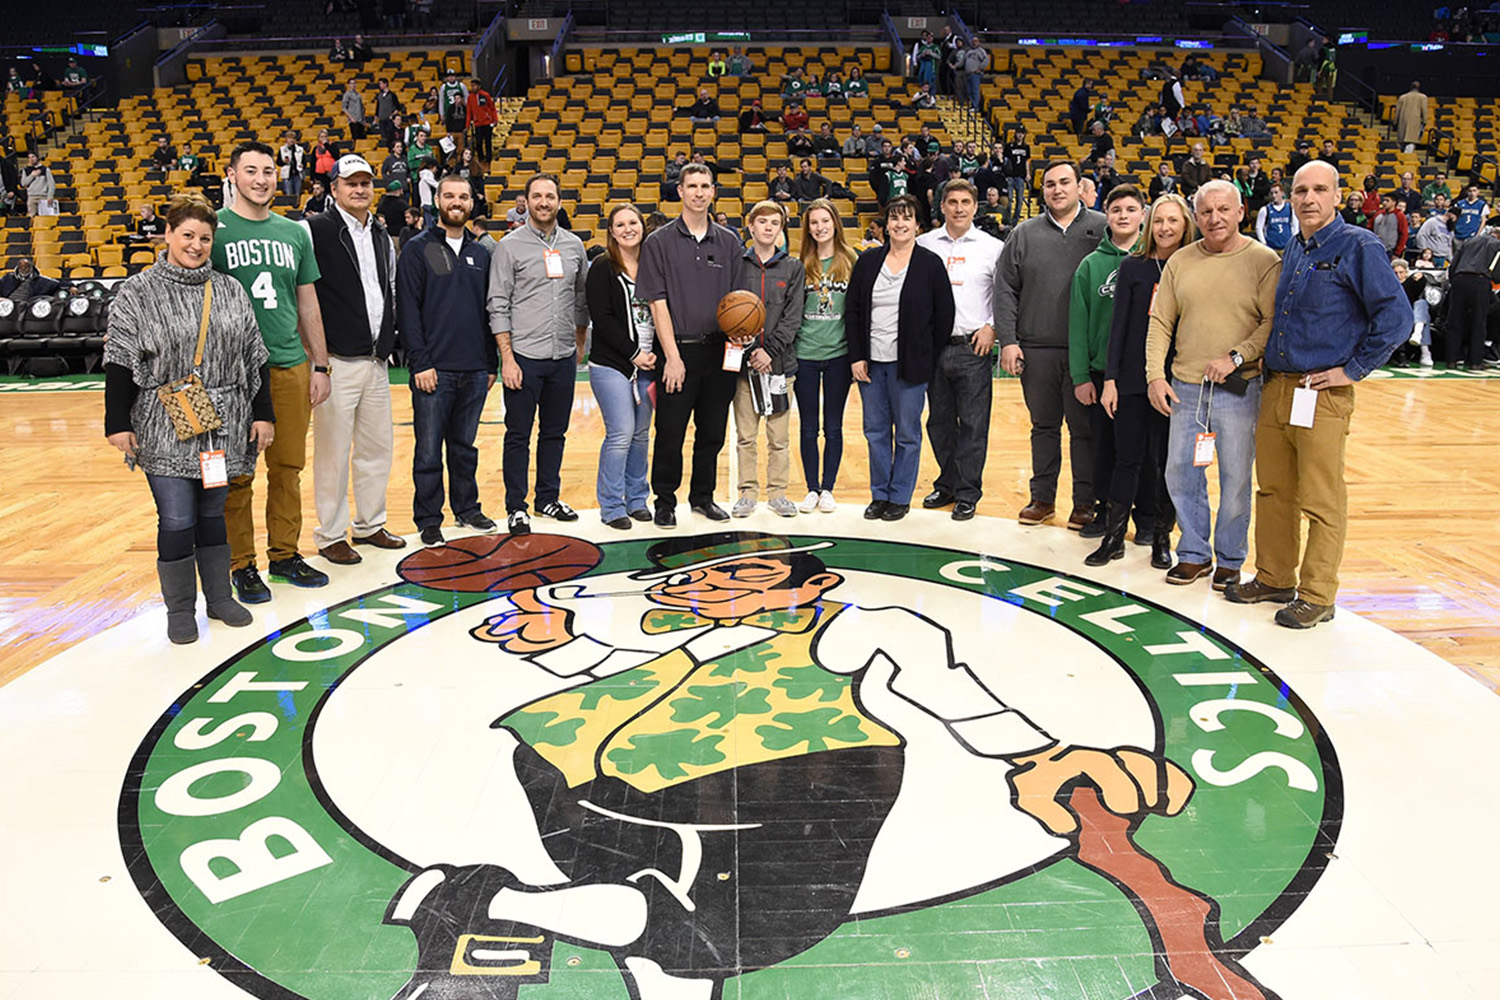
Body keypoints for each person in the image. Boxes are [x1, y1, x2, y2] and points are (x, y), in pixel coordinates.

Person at [1229, 160, 1410, 628]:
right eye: (1300, 190)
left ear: (1336, 196)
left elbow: (1397, 319)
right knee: (1274, 491)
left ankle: (1317, 595)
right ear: (1291, 198)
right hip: (1278, 389)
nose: (1308, 199)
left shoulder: (1359, 245)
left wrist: (1353, 370)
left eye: (1319, 190)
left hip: (1321, 392)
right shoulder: (1293, 248)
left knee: (1321, 498)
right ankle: (1274, 576)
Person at [103, 193, 272, 644]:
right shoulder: (138, 292)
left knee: (214, 514)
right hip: (163, 424)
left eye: (204, 238)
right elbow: (119, 359)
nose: (196, 245)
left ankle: (218, 598)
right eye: (187, 236)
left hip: (222, 425)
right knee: (177, 518)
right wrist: (116, 421)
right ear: (168, 235)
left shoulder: (230, 289)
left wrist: (263, 415)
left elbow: (255, 358)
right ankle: (181, 610)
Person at [1144, 180, 1281, 590]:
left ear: (1241, 212)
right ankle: (1194, 553)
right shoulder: (1180, 262)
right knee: (1181, 474)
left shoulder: (1264, 260)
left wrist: (1236, 356)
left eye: (1223, 209)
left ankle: (1230, 557)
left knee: (1236, 480)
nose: (1214, 218)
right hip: (1186, 390)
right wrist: (1154, 374)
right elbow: (1160, 321)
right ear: (1196, 216)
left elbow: (1270, 323)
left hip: (1241, 389)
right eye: (1206, 212)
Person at [212, 141, 332, 602]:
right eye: (251, 171)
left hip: (288, 364)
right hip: (233, 374)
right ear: (232, 175)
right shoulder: (215, 230)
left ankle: (284, 554)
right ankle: (242, 564)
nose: (261, 179)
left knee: (287, 468)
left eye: (268, 171)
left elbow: (308, 302)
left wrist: (319, 363)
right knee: (237, 474)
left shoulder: (295, 232)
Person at [303, 155, 406, 567]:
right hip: (336, 362)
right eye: (351, 183)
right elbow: (304, 295)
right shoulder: (314, 230)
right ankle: (330, 534)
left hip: (376, 360)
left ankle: (369, 524)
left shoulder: (380, 234)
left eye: (365, 183)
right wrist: (317, 359)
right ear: (334, 189)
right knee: (332, 451)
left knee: (376, 449)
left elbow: (388, 290)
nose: (359, 189)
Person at [993, 161, 1107, 528]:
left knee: (1084, 431)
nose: (1058, 190)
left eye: (1065, 182)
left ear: (1079, 187)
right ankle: (1042, 498)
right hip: (1037, 348)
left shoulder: (1102, 228)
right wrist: (1008, 341)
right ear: (1041, 190)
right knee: (1043, 427)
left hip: (1084, 353)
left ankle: (1085, 502)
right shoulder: (1023, 233)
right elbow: (1005, 288)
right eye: (1050, 185)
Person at [636, 163, 745, 526]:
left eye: (705, 186)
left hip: (721, 351)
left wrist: (743, 332)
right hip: (679, 351)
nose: (699, 192)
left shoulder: (730, 241)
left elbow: (739, 300)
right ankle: (664, 501)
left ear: (714, 192)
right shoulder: (659, 242)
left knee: (712, 431)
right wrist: (672, 357)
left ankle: (703, 497)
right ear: (679, 191)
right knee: (670, 431)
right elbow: (657, 303)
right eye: (692, 186)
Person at [397, 174, 497, 547]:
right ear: (438, 200)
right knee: (427, 449)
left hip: (474, 369)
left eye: (464, 197)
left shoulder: (482, 253)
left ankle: (467, 508)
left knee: (464, 447)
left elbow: (491, 311)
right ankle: (428, 518)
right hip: (433, 370)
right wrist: (420, 362)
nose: (457, 202)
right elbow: (408, 311)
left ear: (472, 204)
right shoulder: (417, 249)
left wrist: (490, 364)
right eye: (450, 195)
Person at [487, 173, 590, 535]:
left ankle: (548, 497)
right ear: (526, 201)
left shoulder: (575, 246)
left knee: (554, 432)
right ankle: (516, 506)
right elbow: (497, 304)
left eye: (550, 196)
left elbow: (581, 299)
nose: (544, 202)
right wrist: (508, 359)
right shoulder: (509, 246)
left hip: (562, 356)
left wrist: (579, 341)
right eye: (537, 196)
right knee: (517, 434)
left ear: (559, 202)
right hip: (524, 357)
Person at [1095, 193, 1193, 570]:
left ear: (1185, 225)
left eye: (1173, 221)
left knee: (1167, 463)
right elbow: (1119, 326)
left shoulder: (1193, 265)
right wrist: (1112, 379)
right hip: (1134, 380)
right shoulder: (1135, 267)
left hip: (1178, 380)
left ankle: (1161, 539)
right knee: (1127, 459)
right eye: (1160, 221)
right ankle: (1114, 537)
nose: (1165, 228)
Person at [846, 195, 956, 522]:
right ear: (885, 225)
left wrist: (926, 354)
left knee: (908, 433)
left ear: (918, 225)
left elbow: (944, 315)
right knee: (875, 431)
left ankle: (900, 495)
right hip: (871, 362)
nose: (900, 223)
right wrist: (856, 356)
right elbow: (852, 312)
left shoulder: (930, 263)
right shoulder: (867, 262)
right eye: (894, 217)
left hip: (910, 366)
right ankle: (879, 493)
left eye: (907, 218)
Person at [916, 178, 1004, 521]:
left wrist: (992, 326)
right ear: (942, 206)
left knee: (972, 422)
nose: (958, 208)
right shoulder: (923, 245)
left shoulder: (992, 247)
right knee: (939, 422)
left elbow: (1006, 292)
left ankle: (968, 491)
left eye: (965, 202)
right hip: (934, 347)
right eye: (952, 202)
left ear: (975, 206)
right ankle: (948, 483)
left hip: (973, 346)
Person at [1068, 183, 1144, 552]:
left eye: (1131, 209)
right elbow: (1078, 325)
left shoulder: (1157, 262)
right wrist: (1081, 376)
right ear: (1106, 217)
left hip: (1145, 375)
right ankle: (1104, 512)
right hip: (1101, 373)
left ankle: (1146, 517)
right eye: (1116, 210)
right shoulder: (1091, 265)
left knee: (1145, 450)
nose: (1124, 216)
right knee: (1104, 449)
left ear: (1142, 215)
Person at [728, 201, 806, 519]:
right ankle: (747, 493)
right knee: (745, 436)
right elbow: (727, 308)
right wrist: (744, 345)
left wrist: (769, 351)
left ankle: (778, 493)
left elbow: (793, 317)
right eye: (762, 222)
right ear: (750, 226)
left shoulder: (793, 268)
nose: (769, 227)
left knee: (779, 437)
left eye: (775, 222)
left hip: (778, 366)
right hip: (744, 368)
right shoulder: (736, 265)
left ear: (781, 228)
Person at [585, 204, 656, 529]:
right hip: (612, 363)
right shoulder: (602, 267)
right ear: (611, 231)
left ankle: (637, 498)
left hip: (649, 364)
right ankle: (612, 506)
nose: (628, 229)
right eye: (620, 224)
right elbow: (602, 319)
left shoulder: (655, 265)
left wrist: (655, 355)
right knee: (621, 432)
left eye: (633, 222)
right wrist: (633, 353)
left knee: (641, 434)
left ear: (642, 226)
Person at [790, 199, 857, 514]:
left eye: (825, 221)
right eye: (814, 222)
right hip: (805, 354)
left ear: (835, 224)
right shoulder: (800, 264)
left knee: (833, 425)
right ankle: (811, 489)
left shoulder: (851, 261)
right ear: (808, 228)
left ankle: (828, 488)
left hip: (839, 355)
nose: (819, 227)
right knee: (807, 426)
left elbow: (858, 312)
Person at [1445, 220, 1500, 370]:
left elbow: (1453, 265)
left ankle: (1451, 359)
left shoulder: (1469, 241)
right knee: (1478, 322)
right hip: (1479, 282)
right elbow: (1496, 274)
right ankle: (1476, 361)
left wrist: (1455, 280)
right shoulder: (1497, 246)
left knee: (1454, 321)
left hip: (1459, 280)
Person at [438, 70, 469, 159]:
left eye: (452, 75)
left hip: (459, 116)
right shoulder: (444, 87)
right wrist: (441, 113)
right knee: (451, 146)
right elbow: (442, 100)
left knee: (461, 147)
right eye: (449, 76)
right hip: (450, 114)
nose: (451, 77)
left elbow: (466, 98)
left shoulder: (461, 86)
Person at [1255, 182, 1294, 251]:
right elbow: (1259, 227)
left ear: (1282, 193)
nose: (1274, 195)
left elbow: (1295, 226)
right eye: (1272, 193)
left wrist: (1293, 242)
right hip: (1272, 247)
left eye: (1276, 192)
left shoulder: (1290, 208)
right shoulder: (1265, 210)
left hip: (1287, 247)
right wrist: (1264, 243)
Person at [466, 79, 498, 162]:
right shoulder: (470, 97)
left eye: (474, 85)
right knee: (478, 142)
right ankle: (481, 159)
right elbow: (469, 112)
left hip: (487, 122)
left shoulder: (486, 95)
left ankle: (488, 159)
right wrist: (467, 124)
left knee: (488, 142)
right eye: (472, 85)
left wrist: (495, 119)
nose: (473, 87)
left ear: (479, 86)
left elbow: (492, 108)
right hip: (478, 123)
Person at [1453, 184, 1488, 256]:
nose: (1472, 193)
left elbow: (1483, 221)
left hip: (1472, 235)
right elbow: (1453, 218)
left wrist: (1478, 234)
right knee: (1457, 257)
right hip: (1458, 234)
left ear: (1478, 192)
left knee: (1469, 257)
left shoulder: (1482, 205)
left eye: (1474, 191)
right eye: (1470, 191)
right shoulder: (1459, 204)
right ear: (1467, 192)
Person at [1394, 81, 1429, 154]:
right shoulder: (1423, 97)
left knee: (1403, 140)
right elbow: (1424, 110)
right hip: (1415, 122)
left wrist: (1395, 122)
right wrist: (1425, 121)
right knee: (1411, 140)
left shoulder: (1403, 97)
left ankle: (1404, 155)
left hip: (1403, 121)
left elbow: (1397, 111)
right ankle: (1406, 157)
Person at [957, 36, 990, 110]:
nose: (974, 43)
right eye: (973, 41)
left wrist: (980, 68)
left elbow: (986, 60)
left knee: (974, 90)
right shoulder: (969, 51)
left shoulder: (981, 51)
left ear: (979, 42)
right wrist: (955, 66)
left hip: (975, 74)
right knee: (969, 91)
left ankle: (976, 106)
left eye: (976, 41)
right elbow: (963, 61)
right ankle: (972, 105)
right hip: (968, 74)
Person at [20, 152, 55, 217]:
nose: (31, 159)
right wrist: (32, 176)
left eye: (33, 157)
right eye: (29, 158)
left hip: (43, 196)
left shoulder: (45, 169)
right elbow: (23, 183)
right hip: (31, 197)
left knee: (44, 217)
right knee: (31, 216)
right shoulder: (26, 170)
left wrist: (50, 196)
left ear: (37, 158)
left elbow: (51, 184)